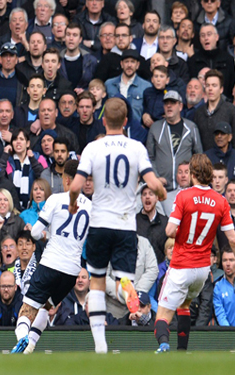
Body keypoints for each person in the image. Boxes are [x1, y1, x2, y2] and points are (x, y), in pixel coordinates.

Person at [68, 98, 167, 354]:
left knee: (98, 282)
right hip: (126, 225)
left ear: (103, 120)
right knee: (124, 278)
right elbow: (153, 184)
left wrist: (72, 204)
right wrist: (162, 193)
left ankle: (100, 345)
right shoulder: (136, 148)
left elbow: (76, 186)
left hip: (100, 223)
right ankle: (129, 292)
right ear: (126, 121)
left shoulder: (93, 148)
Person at [154, 154, 235, 353]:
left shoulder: (183, 196)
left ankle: (164, 345)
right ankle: (181, 353)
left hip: (181, 265)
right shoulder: (221, 201)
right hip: (202, 270)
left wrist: (181, 229)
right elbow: (233, 240)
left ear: (192, 173)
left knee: (162, 316)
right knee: (184, 306)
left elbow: (170, 231)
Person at [11, 159, 92, 354]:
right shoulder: (91, 207)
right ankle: (30, 345)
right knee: (46, 307)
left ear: (66, 179)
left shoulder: (56, 200)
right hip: (72, 270)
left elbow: (36, 232)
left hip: (51, 263)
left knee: (28, 307)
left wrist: (47, 235)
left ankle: (22, 337)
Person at [194, 69, 235, 153]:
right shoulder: (198, 112)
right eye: (208, 85)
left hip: (226, 162)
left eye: (214, 85)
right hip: (203, 162)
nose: (210, 89)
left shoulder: (231, 110)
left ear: (221, 89)